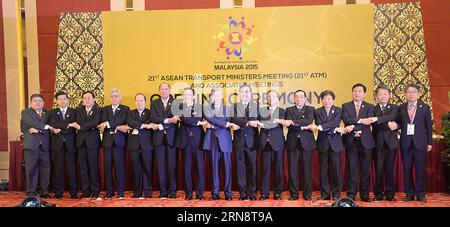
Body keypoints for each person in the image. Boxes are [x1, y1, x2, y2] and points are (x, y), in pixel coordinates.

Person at [202, 88, 239, 200]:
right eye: (214, 95)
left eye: (218, 95)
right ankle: (215, 193)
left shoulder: (228, 109)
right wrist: (227, 124)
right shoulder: (207, 108)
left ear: (222, 97)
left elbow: (216, 123)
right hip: (212, 141)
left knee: (227, 168)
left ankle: (228, 193)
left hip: (225, 141)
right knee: (214, 169)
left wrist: (213, 126)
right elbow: (211, 119)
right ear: (211, 97)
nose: (216, 97)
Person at [398, 84, 432, 202]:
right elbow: (399, 124)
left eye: (414, 92)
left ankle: (421, 193)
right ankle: (409, 193)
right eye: (409, 92)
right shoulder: (401, 107)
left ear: (418, 93)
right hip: (406, 143)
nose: (411, 94)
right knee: (406, 169)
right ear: (405, 94)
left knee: (420, 169)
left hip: (420, 143)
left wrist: (429, 142)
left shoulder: (425, 107)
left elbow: (429, 126)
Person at [341, 83, 375, 202]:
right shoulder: (345, 106)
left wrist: (355, 125)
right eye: (355, 91)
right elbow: (346, 120)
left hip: (366, 141)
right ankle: (351, 194)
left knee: (365, 169)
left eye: (360, 91)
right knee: (352, 169)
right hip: (351, 141)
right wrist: (361, 120)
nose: (357, 93)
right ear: (352, 92)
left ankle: (365, 195)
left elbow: (369, 122)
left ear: (364, 93)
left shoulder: (370, 106)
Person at [283, 89, 316, 200]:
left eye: (301, 96)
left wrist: (293, 122)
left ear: (305, 99)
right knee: (293, 171)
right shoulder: (289, 109)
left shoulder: (311, 109)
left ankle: (307, 195)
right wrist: (300, 124)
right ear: (294, 99)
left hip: (307, 143)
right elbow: (289, 125)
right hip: (293, 143)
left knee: (307, 170)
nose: (299, 98)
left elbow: (308, 120)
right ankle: (294, 194)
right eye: (297, 96)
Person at [97, 88, 130, 199]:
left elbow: (123, 120)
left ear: (120, 97)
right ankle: (109, 191)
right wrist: (113, 125)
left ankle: (121, 192)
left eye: (116, 96)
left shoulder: (125, 109)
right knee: (107, 168)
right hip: (107, 143)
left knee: (120, 168)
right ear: (109, 98)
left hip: (119, 142)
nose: (114, 98)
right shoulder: (104, 109)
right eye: (112, 96)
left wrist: (107, 123)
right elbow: (102, 122)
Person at [368, 85, 399, 201]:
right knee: (378, 169)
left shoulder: (395, 107)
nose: (383, 96)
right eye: (380, 94)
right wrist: (387, 123)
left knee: (390, 169)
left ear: (389, 95)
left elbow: (394, 117)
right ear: (376, 96)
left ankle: (390, 194)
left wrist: (395, 124)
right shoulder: (372, 108)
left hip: (391, 143)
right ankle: (378, 194)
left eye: (385, 94)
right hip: (377, 143)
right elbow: (374, 124)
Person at [175, 88, 206, 200]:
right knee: (187, 169)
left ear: (193, 96)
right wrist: (198, 123)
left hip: (198, 141)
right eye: (185, 94)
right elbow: (184, 118)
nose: (187, 96)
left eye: (189, 94)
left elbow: (196, 118)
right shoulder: (179, 107)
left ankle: (200, 194)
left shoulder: (200, 107)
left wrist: (197, 121)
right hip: (185, 141)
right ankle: (188, 193)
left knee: (199, 168)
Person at [20, 94, 53, 198]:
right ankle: (31, 192)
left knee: (45, 169)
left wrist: (35, 128)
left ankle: (44, 192)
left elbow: (53, 125)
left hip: (45, 145)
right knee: (31, 169)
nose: (37, 103)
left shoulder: (47, 113)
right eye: (35, 101)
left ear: (43, 103)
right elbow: (29, 123)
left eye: (40, 101)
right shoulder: (26, 112)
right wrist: (46, 127)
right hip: (31, 145)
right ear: (31, 103)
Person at [150, 83, 179, 199]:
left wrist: (161, 124)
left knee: (172, 166)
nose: (164, 91)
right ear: (159, 90)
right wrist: (168, 120)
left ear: (170, 90)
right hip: (158, 138)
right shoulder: (154, 103)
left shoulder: (176, 103)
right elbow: (153, 118)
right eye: (162, 89)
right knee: (161, 166)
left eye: (166, 89)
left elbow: (176, 120)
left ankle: (172, 190)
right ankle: (163, 191)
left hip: (172, 138)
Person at [231, 84, 260, 200]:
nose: (245, 94)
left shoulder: (256, 106)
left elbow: (254, 119)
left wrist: (242, 122)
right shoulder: (234, 106)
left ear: (251, 94)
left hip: (252, 141)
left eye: (247, 92)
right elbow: (233, 119)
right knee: (240, 167)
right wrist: (247, 123)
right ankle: (242, 193)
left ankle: (252, 193)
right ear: (239, 93)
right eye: (242, 92)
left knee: (252, 167)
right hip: (239, 141)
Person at [314, 90, 344, 201]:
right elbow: (319, 123)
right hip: (323, 144)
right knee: (323, 170)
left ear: (333, 100)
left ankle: (336, 194)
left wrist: (323, 127)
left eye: (329, 99)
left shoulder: (338, 110)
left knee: (336, 170)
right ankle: (325, 194)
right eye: (325, 99)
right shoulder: (317, 111)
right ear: (322, 100)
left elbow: (334, 122)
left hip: (335, 144)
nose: (327, 101)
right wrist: (335, 129)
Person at [127, 93, 159, 199]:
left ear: (145, 102)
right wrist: (144, 126)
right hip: (134, 145)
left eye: (141, 101)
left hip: (147, 145)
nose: (139, 103)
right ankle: (137, 192)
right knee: (136, 170)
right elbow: (130, 122)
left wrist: (138, 126)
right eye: (137, 100)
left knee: (147, 169)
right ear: (134, 102)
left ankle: (148, 192)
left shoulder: (150, 113)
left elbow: (150, 122)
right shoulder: (130, 113)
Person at [48, 91, 78, 199]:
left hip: (71, 144)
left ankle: (73, 193)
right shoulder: (52, 112)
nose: (62, 101)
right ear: (56, 101)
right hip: (57, 144)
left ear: (68, 100)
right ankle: (58, 192)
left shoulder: (74, 111)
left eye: (64, 99)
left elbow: (76, 124)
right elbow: (53, 124)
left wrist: (62, 127)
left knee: (72, 169)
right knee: (58, 169)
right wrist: (69, 125)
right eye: (60, 99)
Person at [73, 91, 101, 200]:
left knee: (93, 167)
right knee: (83, 168)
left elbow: (95, 122)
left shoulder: (98, 109)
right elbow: (78, 121)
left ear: (94, 99)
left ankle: (95, 191)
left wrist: (80, 127)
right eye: (85, 98)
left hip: (92, 142)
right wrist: (86, 125)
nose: (87, 100)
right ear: (82, 100)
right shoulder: (78, 110)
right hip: (81, 142)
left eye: (89, 98)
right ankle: (86, 191)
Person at [258, 90, 286, 200]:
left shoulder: (282, 111)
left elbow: (274, 124)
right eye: (269, 97)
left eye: (273, 96)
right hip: (265, 143)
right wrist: (265, 123)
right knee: (265, 169)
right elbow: (261, 122)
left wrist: (264, 124)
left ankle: (278, 193)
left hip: (277, 143)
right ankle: (264, 193)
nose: (271, 98)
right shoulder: (262, 110)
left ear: (278, 99)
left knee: (278, 169)